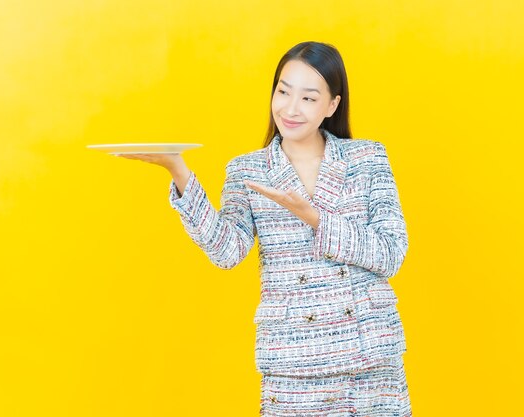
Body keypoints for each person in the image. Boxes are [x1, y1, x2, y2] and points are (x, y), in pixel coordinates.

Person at [120, 41, 411, 417]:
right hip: (293, 360)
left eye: (308, 98)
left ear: (332, 105)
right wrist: (179, 171)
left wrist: (315, 218)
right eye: (283, 91)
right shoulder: (248, 170)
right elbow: (227, 252)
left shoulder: (367, 158)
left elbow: (391, 253)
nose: (290, 109)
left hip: (368, 360)